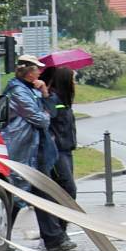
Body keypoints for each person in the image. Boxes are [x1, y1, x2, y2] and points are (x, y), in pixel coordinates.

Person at [1, 55, 76, 251]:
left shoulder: (31, 90)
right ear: (26, 71)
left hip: (37, 149)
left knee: (39, 193)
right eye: (36, 69)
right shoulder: (18, 91)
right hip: (24, 149)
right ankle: (2, 238)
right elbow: (41, 119)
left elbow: (48, 110)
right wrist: (44, 113)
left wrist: (44, 92)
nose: (40, 72)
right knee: (19, 194)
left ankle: (51, 238)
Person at [41, 66, 78, 233]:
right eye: (72, 79)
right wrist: (46, 95)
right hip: (57, 151)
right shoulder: (54, 98)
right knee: (68, 188)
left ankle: (60, 228)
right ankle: (58, 229)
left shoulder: (65, 100)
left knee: (66, 190)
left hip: (67, 149)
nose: (75, 83)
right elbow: (49, 119)